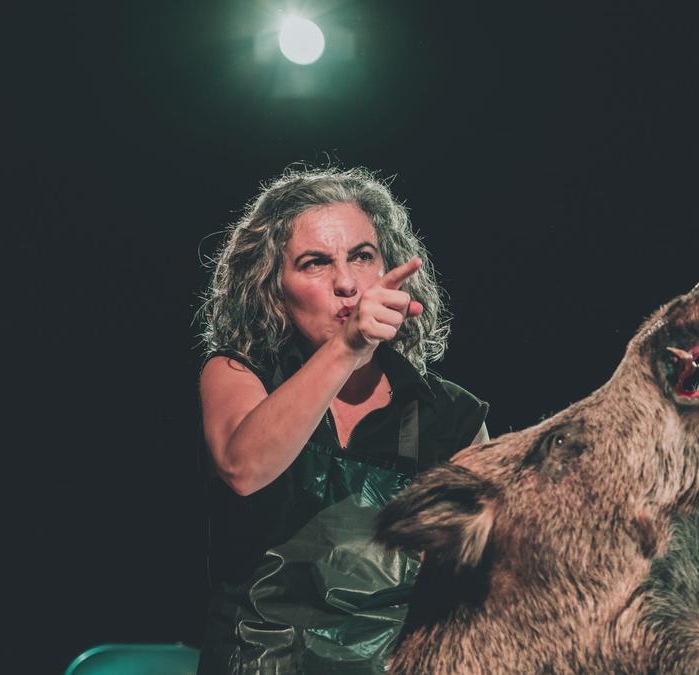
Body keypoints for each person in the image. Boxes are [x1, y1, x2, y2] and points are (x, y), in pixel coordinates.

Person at [195, 166, 489, 674]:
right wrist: (349, 346)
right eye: (315, 263)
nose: (347, 284)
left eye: (362, 256)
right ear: (272, 289)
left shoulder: (452, 416)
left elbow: (484, 574)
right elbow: (244, 468)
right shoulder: (237, 374)